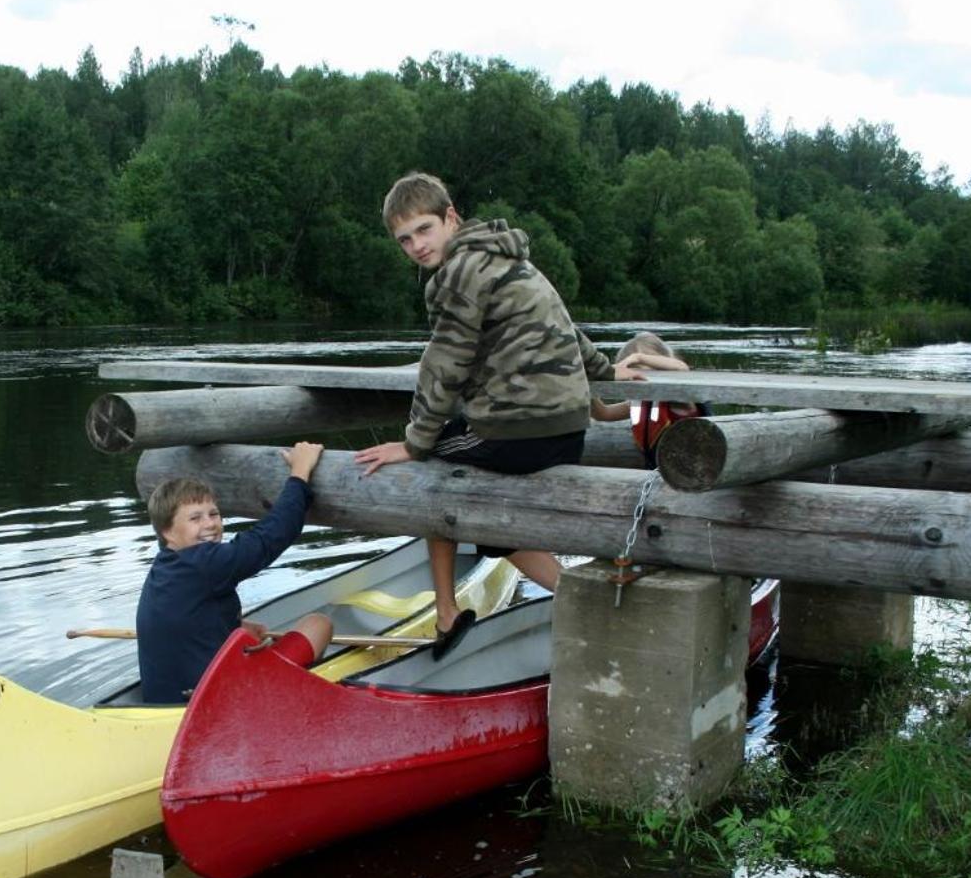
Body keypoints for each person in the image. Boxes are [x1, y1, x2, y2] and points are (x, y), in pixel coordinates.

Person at [357, 172, 646, 657]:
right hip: (567, 427)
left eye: (424, 230)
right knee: (486, 517)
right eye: (404, 240)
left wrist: (412, 444)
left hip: (518, 429)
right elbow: (566, 327)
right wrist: (606, 369)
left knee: (429, 468)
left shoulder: (458, 273)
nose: (416, 246)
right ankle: (580, 594)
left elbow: (444, 364)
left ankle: (447, 612)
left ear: (451, 217)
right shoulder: (511, 259)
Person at [135, 441, 335, 703]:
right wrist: (300, 472)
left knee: (245, 633)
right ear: (167, 532)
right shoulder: (205, 562)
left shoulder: (166, 567)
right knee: (319, 624)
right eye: (195, 518)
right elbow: (272, 535)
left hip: (164, 699)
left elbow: (190, 617)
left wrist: (234, 626)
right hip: (214, 701)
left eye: (214, 514)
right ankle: (288, 694)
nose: (210, 524)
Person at [588, 330, 705, 467]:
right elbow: (603, 414)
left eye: (642, 372)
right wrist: (587, 385)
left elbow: (682, 369)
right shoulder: (641, 404)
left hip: (693, 474)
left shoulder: (679, 400)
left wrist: (638, 357)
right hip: (661, 474)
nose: (635, 379)